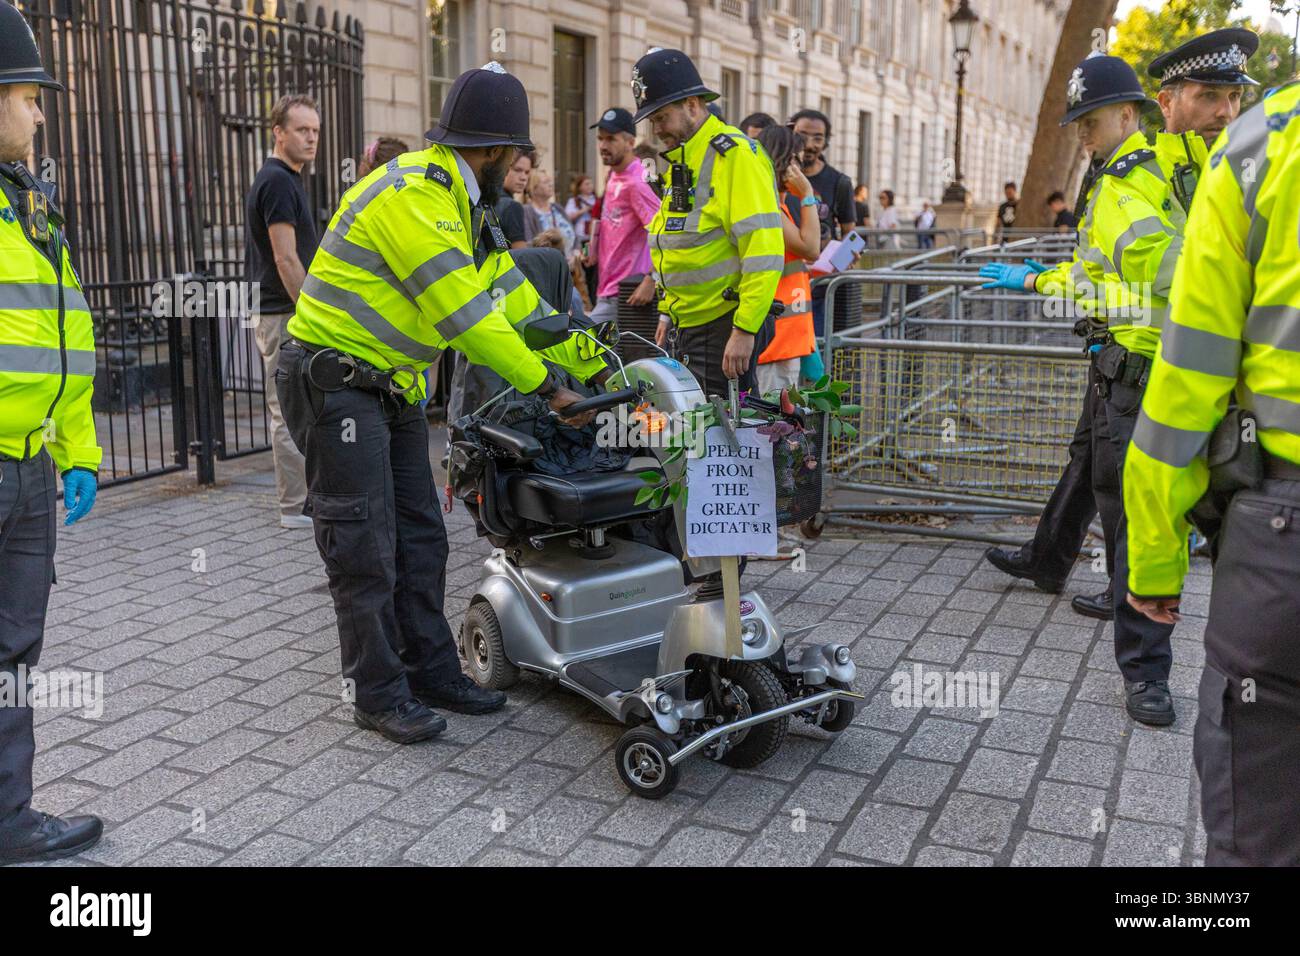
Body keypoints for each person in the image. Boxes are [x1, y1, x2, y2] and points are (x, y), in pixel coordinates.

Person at [280, 62, 607, 744]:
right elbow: (467, 315)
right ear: (491, 151)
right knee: (365, 544)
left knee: (422, 536)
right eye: (516, 156)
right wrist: (547, 388)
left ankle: (430, 668)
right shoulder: (413, 196)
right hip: (335, 381)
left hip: (390, 383)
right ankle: (376, 691)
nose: (520, 166)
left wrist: (595, 361)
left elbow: (514, 301)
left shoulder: (466, 206)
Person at [979, 45, 1254, 726]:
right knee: (1141, 523)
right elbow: (1124, 282)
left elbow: (1158, 277)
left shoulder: (1151, 175)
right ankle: (1148, 671)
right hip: (1142, 376)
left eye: (1087, 122)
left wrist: (1048, 284)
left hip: (1166, 377)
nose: (1080, 134)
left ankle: (1184, 670)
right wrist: (1060, 287)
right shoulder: (1146, 172)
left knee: (1161, 526)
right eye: (1208, 96)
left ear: (1130, 112)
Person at [1124, 78, 1299, 866]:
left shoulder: (1268, 146)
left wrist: (1156, 560)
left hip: (1284, 527)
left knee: (1259, 822)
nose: (1225, 108)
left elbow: (1190, 377)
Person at [0, 2, 103, 863]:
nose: (40, 112)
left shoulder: (30, 204)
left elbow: (65, 336)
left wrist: (80, 453)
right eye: (30, 94)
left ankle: (8, 821)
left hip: (31, 469)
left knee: (13, 654)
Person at [634, 48, 783, 398]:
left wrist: (745, 330)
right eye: (652, 121)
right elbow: (675, 242)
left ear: (692, 104)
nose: (657, 130)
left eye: (661, 117)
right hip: (691, 325)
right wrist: (668, 313)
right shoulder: (685, 156)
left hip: (724, 326)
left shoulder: (736, 156)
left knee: (723, 442)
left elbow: (763, 252)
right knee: (695, 435)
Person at [245, 94, 319, 529]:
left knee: (299, 408)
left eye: (314, 131)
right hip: (283, 312)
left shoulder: (287, 179)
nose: (311, 138)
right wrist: (313, 312)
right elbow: (286, 258)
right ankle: (294, 506)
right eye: (301, 130)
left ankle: (304, 500)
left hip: (287, 311)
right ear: (279, 132)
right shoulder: (276, 181)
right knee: (286, 409)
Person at [753, 125, 819, 395]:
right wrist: (807, 194)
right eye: (794, 160)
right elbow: (811, 247)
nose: (799, 169)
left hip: (787, 340)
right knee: (772, 429)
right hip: (775, 344)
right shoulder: (769, 206)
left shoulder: (777, 207)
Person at [585, 107, 658, 325]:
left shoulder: (639, 181)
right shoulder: (613, 175)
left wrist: (652, 279)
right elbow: (606, 224)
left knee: (578, 346)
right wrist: (590, 251)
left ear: (630, 142)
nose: (603, 146)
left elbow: (663, 231)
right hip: (605, 289)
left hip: (628, 294)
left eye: (611, 139)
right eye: (600, 139)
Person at [522, 168, 576, 254]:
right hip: (547, 264)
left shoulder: (557, 207)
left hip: (570, 263)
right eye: (545, 182)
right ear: (533, 188)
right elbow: (528, 243)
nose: (551, 184)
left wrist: (577, 252)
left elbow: (574, 233)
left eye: (550, 181)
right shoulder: (526, 211)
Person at [496, 148, 532, 249]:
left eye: (527, 172)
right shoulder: (512, 207)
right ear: (504, 167)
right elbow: (521, 255)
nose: (523, 177)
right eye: (518, 170)